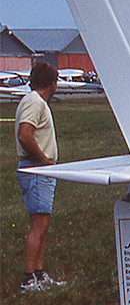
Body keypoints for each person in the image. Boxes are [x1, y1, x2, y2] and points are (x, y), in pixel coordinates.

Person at [15, 62, 65, 293]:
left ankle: (38, 273)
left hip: (41, 171)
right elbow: (25, 135)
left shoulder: (37, 102)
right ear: (52, 83)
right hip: (36, 170)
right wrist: (43, 160)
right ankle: (27, 278)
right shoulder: (34, 102)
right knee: (39, 224)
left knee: (43, 224)